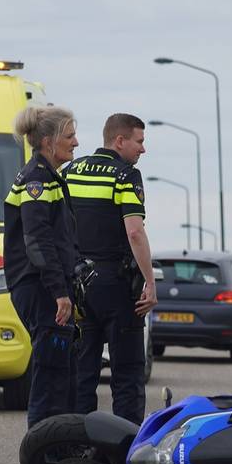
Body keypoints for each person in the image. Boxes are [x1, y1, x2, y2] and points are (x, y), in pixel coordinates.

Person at [4, 105, 80, 464]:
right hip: (40, 288)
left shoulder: (50, 177)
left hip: (46, 287)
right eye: (70, 136)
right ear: (48, 141)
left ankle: (52, 463)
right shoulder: (36, 181)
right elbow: (38, 242)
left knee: (59, 376)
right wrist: (60, 292)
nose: (76, 143)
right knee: (49, 378)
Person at [64, 113, 158, 425]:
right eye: (139, 141)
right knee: (127, 373)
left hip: (78, 285)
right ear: (120, 140)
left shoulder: (71, 171)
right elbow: (134, 232)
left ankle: (76, 448)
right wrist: (149, 282)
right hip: (117, 286)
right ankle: (125, 453)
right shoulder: (125, 175)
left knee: (82, 372)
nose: (143, 150)